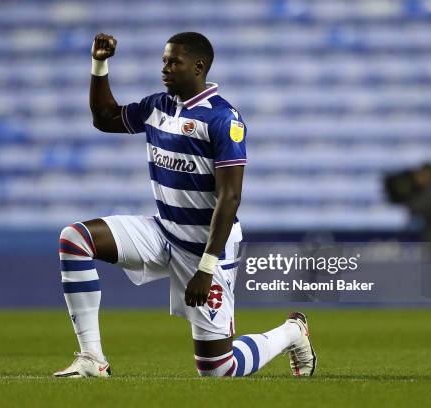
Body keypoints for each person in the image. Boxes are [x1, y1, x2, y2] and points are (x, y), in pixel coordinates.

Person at [53, 32, 316, 378]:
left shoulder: (223, 120)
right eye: (164, 61)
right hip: (163, 231)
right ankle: (91, 358)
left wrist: (206, 268)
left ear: (199, 66)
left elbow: (230, 197)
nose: (165, 68)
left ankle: (292, 332)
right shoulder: (157, 106)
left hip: (206, 248)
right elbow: (104, 117)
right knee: (75, 239)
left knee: (217, 369)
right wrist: (100, 63)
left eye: (173, 61)